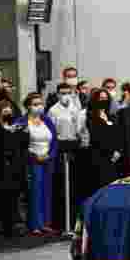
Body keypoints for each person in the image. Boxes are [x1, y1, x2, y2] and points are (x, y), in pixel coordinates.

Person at [47, 82, 84, 234]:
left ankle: (74, 221)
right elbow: (51, 131)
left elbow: (79, 128)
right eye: (62, 93)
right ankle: (61, 223)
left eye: (67, 92)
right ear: (57, 94)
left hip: (73, 146)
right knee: (62, 186)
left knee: (74, 186)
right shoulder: (53, 111)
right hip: (60, 147)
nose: (65, 95)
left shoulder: (75, 109)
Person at [18, 92, 57, 237]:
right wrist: (34, 156)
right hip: (32, 161)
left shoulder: (46, 120)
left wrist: (50, 155)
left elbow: (54, 140)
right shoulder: (22, 121)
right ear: (28, 106)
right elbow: (20, 144)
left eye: (40, 104)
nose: (39, 107)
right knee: (35, 193)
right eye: (35, 104)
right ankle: (34, 224)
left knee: (47, 192)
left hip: (47, 160)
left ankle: (46, 223)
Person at [0, 99, 27, 236]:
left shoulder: (16, 126)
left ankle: (14, 223)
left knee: (15, 196)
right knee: (3, 197)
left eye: (9, 110)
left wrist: (22, 132)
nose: (8, 113)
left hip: (16, 166)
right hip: (2, 166)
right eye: (5, 111)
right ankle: (4, 225)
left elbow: (22, 144)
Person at [84, 87, 123, 194]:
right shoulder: (91, 116)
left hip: (114, 158)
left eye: (106, 98)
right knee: (100, 187)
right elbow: (97, 136)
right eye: (101, 98)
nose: (103, 101)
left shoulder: (112, 116)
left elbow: (118, 134)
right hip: (99, 157)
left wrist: (118, 151)